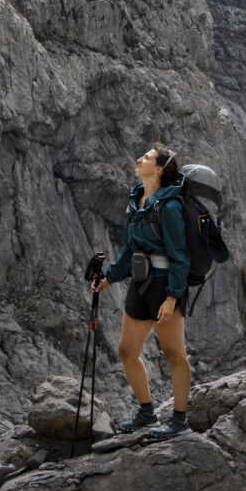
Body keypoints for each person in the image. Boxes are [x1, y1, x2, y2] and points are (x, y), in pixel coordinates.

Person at [92, 143, 192, 438]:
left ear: (158, 169)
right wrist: (110, 277)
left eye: (146, 157)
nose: (140, 158)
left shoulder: (170, 206)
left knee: (174, 353)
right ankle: (147, 413)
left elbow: (180, 256)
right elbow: (129, 248)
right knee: (126, 350)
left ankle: (179, 421)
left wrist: (173, 296)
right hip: (140, 282)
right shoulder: (137, 201)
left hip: (164, 285)